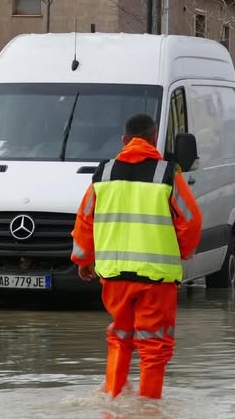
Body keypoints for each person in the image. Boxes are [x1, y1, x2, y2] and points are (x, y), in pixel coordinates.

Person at [71, 113, 202, 399]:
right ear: (154, 139)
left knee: (120, 338)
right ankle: (149, 411)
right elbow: (191, 221)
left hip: (114, 276)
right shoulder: (167, 173)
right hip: (157, 278)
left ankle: (112, 403)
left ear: (124, 140)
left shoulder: (104, 173)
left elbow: (85, 220)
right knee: (154, 346)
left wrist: (83, 259)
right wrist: (181, 251)